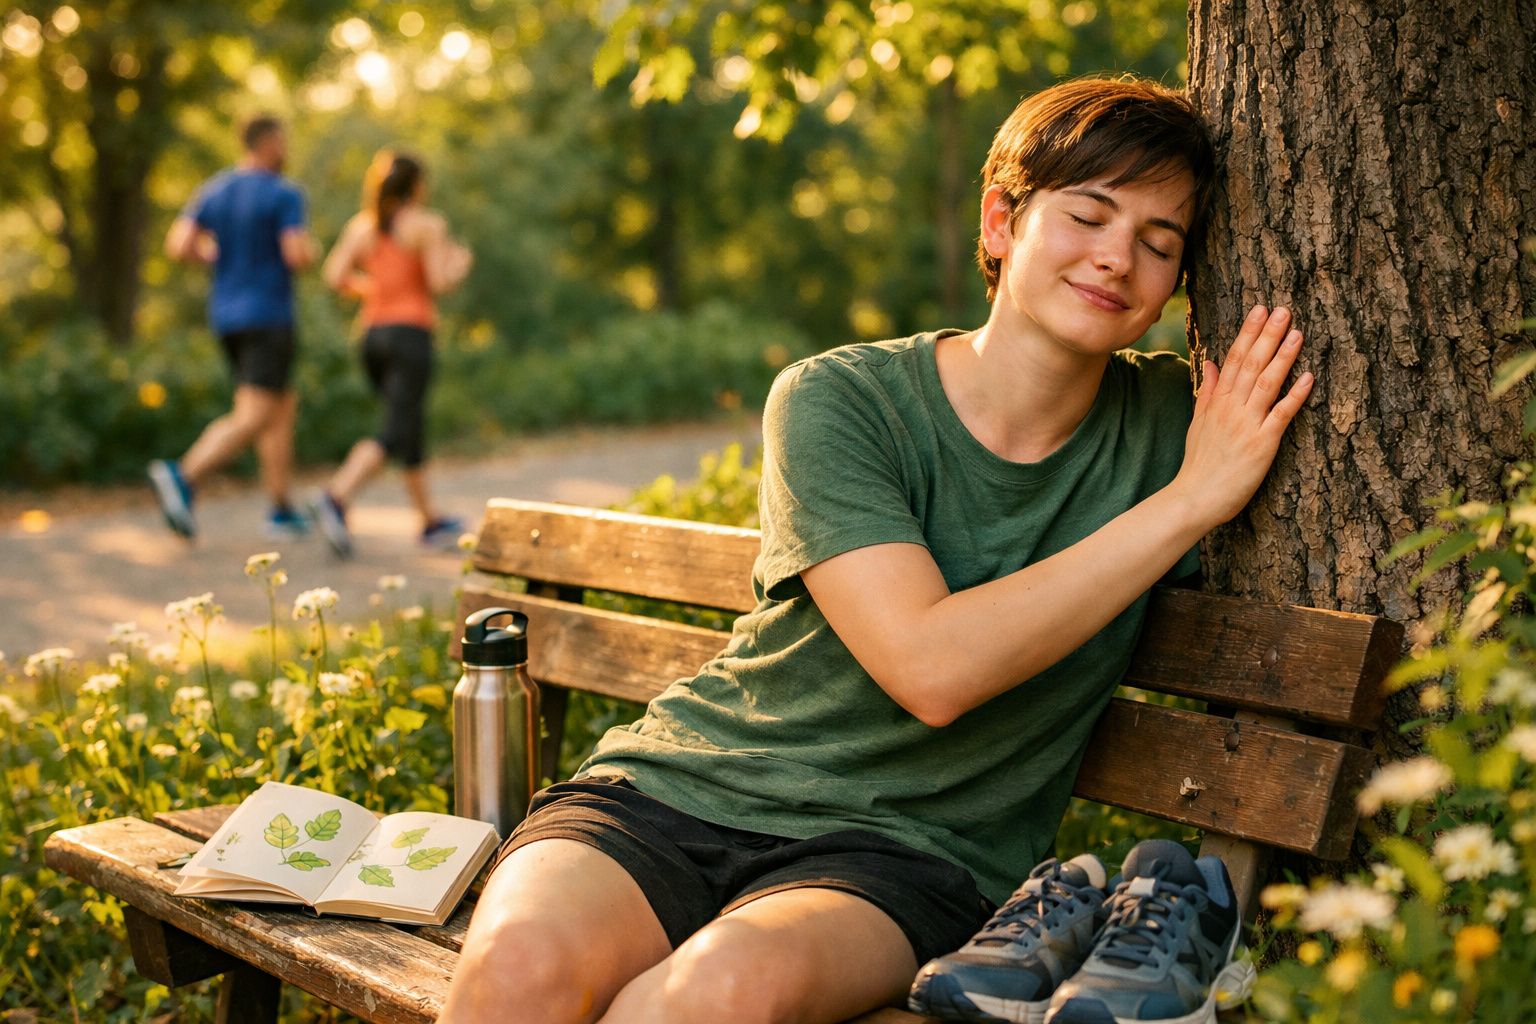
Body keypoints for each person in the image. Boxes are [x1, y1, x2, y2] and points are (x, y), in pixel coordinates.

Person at [440, 76, 1315, 1024]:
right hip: (677, 787)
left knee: (711, 998)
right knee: (518, 972)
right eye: (1089, 216)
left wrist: (1190, 483)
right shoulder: (841, 399)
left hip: (903, 856)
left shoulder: (1182, 426)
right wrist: (1189, 505)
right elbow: (928, 666)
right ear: (999, 223)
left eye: (1159, 244)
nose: (1117, 260)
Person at [149, 113, 316, 540]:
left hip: (227, 316)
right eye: (283, 141)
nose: (286, 150)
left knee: (279, 408)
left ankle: (281, 508)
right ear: (268, 143)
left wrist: (218, 258)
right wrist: (310, 250)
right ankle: (184, 475)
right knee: (256, 414)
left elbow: (179, 245)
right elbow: (296, 254)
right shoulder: (283, 193)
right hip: (269, 315)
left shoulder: (215, 190)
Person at [307, 150, 473, 558]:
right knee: (395, 429)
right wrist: (459, 266)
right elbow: (438, 282)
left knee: (407, 423)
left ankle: (429, 520)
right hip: (410, 336)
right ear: (417, 185)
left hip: (372, 338)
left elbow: (334, 276)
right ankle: (335, 496)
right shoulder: (428, 225)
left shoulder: (363, 227)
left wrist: (375, 290)